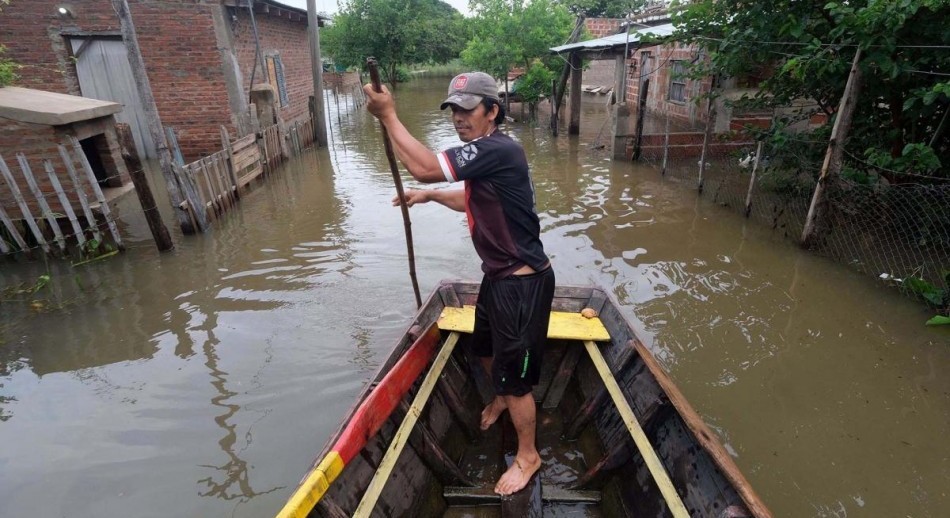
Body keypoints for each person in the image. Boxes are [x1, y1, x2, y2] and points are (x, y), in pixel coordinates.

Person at [364, 72, 555, 496]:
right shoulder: (486, 156)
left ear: (492, 111)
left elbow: (426, 166)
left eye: (467, 109)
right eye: (453, 109)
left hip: (522, 285)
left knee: (516, 377)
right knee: (482, 348)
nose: (458, 118)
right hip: (497, 278)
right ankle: (503, 397)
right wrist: (428, 196)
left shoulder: (499, 149)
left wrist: (389, 114)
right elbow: (469, 198)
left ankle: (528, 454)